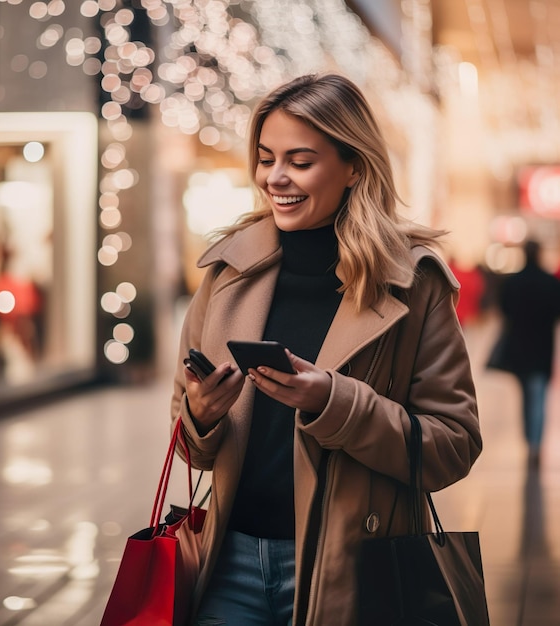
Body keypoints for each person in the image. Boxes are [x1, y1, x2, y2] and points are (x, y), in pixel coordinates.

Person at [171, 73, 482, 626]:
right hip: (228, 563)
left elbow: (452, 445)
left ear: (354, 165)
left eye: (300, 160)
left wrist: (334, 404)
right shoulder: (227, 272)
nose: (275, 178)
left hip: (353, 569)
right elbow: (190, 448)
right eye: (266, 158)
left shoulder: (413, 281)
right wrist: (201, 416)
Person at [490, 240, 560, 469]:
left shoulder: (513, 282)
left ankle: (529, 440)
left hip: (519, 351)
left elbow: (504, 310)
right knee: (537, 398)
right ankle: (534, 445)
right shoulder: (550, 283)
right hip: (541, 351)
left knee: (526, 398)